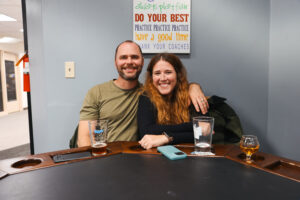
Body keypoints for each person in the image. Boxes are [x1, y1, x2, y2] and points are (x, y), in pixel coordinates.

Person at [77, 41, 209, 147]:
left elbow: (207, 130)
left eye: (134, 57)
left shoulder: (147, 93)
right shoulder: (97, 92)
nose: (129, 62)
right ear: (115, 62)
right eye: (123, 57)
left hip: (135, 156)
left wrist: (193, 86)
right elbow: (84, 138)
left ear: (142, 62)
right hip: (105, 157)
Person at [138, 53, 207, 149]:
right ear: (151, 77)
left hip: (189, 154)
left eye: (168, 72)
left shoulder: (192, 95)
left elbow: (204, 132)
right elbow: (146, 132)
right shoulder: (146, 96)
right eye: (157, 73)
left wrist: (166, 138)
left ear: (178, 74)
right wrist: (192, 126)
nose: (163, 78)